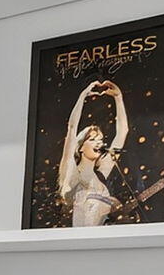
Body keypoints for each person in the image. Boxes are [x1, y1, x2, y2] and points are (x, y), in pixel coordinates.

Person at [58, 80, 141, 225]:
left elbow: (122, 132)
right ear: (81, 147)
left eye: (101, 140)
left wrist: (118, 98)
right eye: (93, 139)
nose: (99, 143)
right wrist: (83, 96)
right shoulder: (72, 172)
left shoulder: (101, 172)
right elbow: (71, 128)